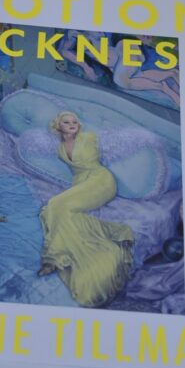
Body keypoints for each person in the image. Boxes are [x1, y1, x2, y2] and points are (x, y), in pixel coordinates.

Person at [38, 112, 134, 307]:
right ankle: (58, 255)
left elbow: (91, 160)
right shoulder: (60, 148)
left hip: (101, 181)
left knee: (56, 205)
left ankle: (53, 258)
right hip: (82, 183)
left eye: (75, 122)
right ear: (59, 126)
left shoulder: (88, 138)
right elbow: (75, 171)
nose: (72, 124)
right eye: (67, 122)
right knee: (51, 209)